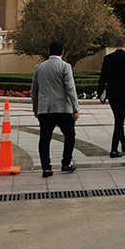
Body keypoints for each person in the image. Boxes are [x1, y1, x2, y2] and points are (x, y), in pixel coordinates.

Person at [31, 40, 80, 177]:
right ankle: (66, 163)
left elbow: (34, 89)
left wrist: (36, 107)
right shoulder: (65, 66)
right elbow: (70, 88)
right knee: (69, 135)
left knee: (45, 138)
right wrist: (75, 107)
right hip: (63, 108)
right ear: (62, 52)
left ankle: (46, 167)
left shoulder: (39, 67)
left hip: (45, 109)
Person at [97, 34, 125, 157]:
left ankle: (123, 142)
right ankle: (113, 149)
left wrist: (100, 94)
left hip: (112, 93)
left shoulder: (108, 58)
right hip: (124, 92)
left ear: (114, 45)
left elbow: (102, 78)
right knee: (119, 120)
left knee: (118, 118)